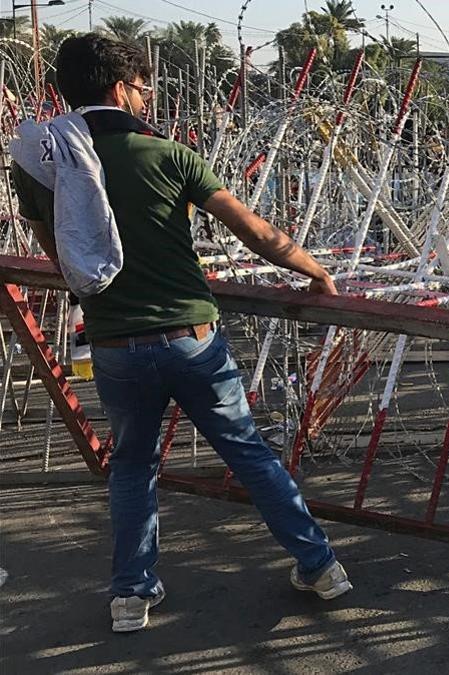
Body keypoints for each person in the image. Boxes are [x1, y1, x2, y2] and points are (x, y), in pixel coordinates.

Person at [9, 34, 352, 633]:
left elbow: (62, 257)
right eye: (141, 87)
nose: (145, 97)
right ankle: (321, 567)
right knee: (248, 454)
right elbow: (254, 230)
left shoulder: (42, 159)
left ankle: (130, 596)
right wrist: (315, 270)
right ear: (121, 88)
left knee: (133, 468)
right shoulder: (166, 154)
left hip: (116, 345)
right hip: (192, 338)